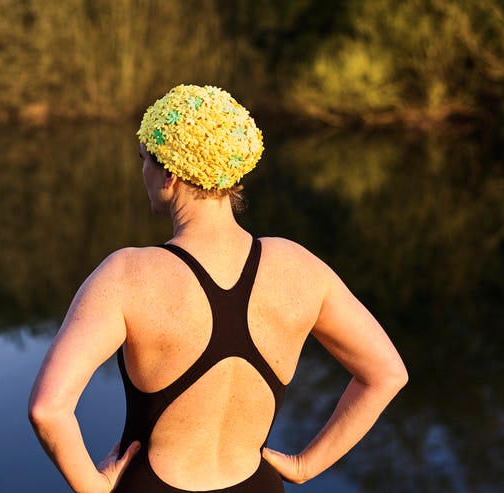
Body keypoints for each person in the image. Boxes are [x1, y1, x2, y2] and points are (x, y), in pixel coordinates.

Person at [29, 84, 407, 492]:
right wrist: (304, 465)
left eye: (144, 161)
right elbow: (386, 374)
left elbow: (49, 409)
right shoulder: (300, 268)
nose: (142, 173)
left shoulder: (127, 275)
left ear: (170, 174)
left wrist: (94, 487)